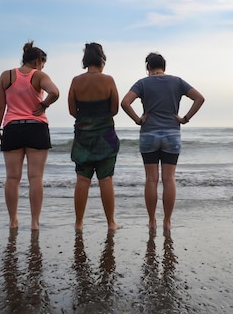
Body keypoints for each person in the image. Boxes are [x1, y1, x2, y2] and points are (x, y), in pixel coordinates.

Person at [121, 52, 204, 229]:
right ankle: (167, 221)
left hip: (149, 133)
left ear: (148, 68)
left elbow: (125, 103)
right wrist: (185, 118)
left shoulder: (142, 83)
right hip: (172, 134)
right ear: (164, 67)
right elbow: (199, 98)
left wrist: (138, 119)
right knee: (169, 179)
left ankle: (152, 221)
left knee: (151, 179)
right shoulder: (177, 81)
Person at [0, 41, 59, 230]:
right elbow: (54, 92)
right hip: (36, 128)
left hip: (12, 127)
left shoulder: (6, 76)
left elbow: (0, 106)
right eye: (43, 64)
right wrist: (44, 105)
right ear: (38, 61)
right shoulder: (39, 75)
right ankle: (35, 223)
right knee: (36, 177)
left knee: (12, 178)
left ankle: (13, 220)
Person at [68, 43, 121, 231]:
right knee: (105, 179)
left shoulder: (76, 81)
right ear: (101, 58)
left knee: (82, 179)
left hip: (83, 136)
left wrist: (87, 121)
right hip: (105, 135)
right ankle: (111, 223)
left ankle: (79, 223)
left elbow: (72, 110)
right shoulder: (108, 80)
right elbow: (114, 109)